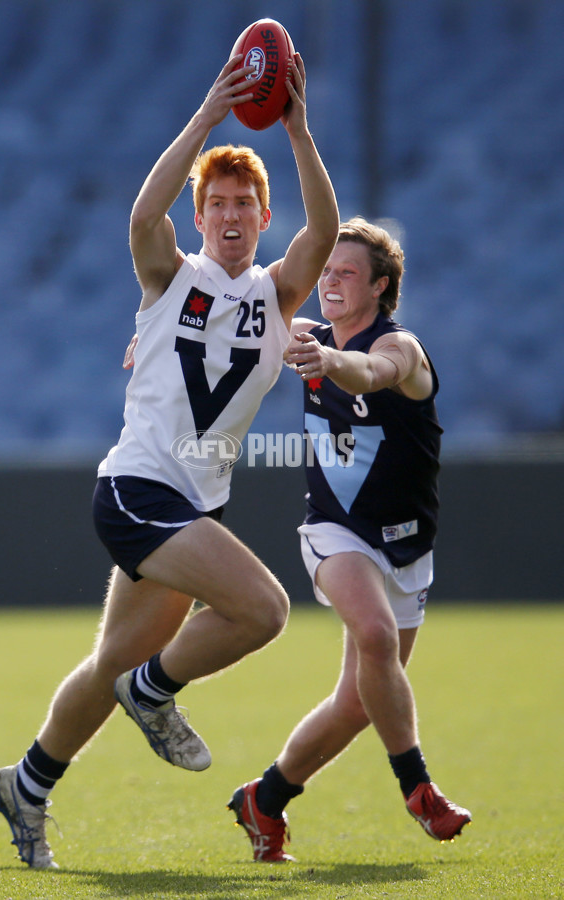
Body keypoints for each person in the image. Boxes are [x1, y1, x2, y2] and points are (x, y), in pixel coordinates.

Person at [0, 52, 339, 869]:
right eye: (215, 202)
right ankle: (154, 696)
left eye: (244, 202)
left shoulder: (276, 296)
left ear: (261, 213)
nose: (230, 213)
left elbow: (322, 232)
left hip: (193, 506)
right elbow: (144, 217)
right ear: (202, 213)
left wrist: (297, 128)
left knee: (112, 660)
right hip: (141, 490)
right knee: (265, 610)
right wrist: (207, 119)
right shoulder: (169, 276)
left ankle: (26, 785)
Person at [227, 217, 471, 861]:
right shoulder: (303, 335)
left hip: (407, 543)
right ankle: (419, 788)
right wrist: (151, 344)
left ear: (380, 286)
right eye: (326, 271)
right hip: (337, 531)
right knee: (375, 636)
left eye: (346, 273)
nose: (329, 282)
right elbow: (212, 334)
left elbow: (369, 373)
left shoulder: (403, 349)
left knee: (358, 703)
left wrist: (329, 359)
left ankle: (266, 798)